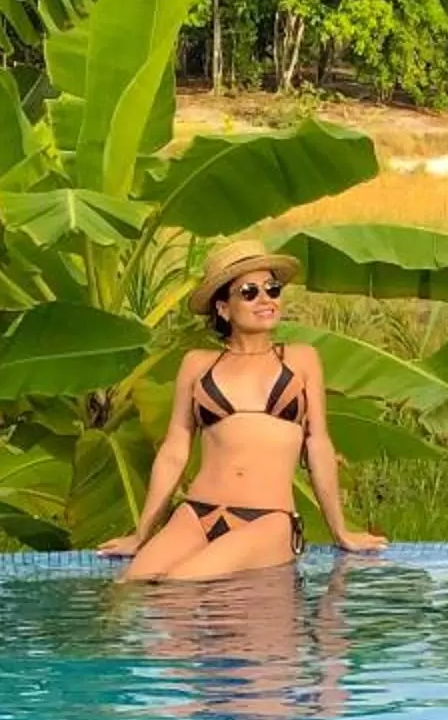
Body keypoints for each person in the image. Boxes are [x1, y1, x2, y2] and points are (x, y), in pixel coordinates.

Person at [100, 236, 390, 581]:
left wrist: (341, 530)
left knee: (177, 584)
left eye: (272, 288)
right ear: (223, 308)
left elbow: (318, 445)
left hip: (266, 519)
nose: (266, 299)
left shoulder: (300, 360)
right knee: (130, 583)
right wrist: (140, 535)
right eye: (250, 292)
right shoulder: (197, 365)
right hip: (197, 513)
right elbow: (175, 450)